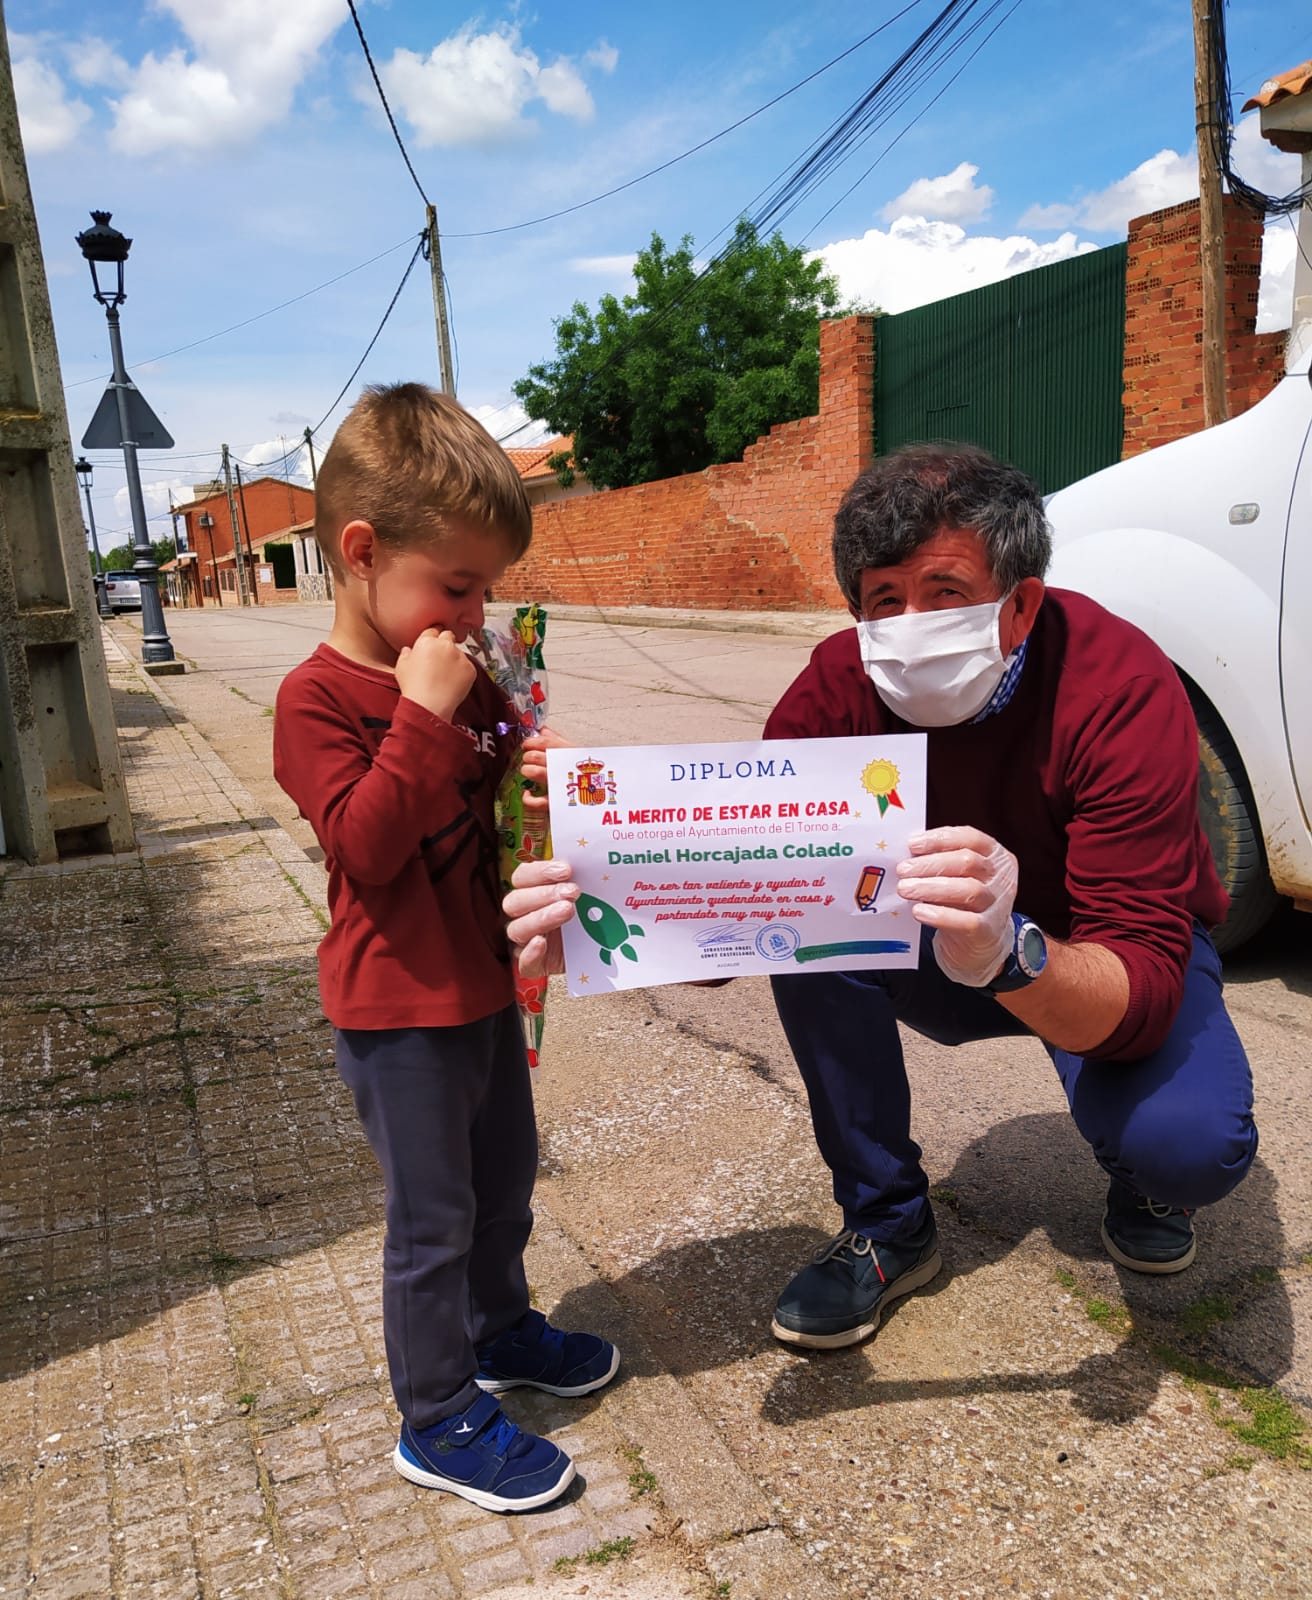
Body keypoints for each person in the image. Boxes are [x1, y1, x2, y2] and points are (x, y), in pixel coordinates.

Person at [502, 442, 1257, 1353]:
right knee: (812, 935)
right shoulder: (834, 690)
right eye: (883, 600)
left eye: (945, 592)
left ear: (1021, 603)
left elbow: (1137, 980)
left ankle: (1138, 1172)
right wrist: (601, 919)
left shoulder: (1119, 683)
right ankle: (888, 1221)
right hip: (921, 950)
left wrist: (1010, 948)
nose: (910, 625)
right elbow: (738, 927)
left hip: (1088, 953)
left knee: (1187, 1146)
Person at [273, 383, 617, 1513]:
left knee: (504, 1185)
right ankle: (433, 1413)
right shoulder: (315, 699)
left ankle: (500, 1327)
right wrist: (423, 716)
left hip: (482, 989)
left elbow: (497, 818)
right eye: (458, 585)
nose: (475, 614)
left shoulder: (470, 674)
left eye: (487, 590)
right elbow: (366, 849)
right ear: (361, 551)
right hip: (393, 1010)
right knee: (432, 1218)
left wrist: (541, 770)